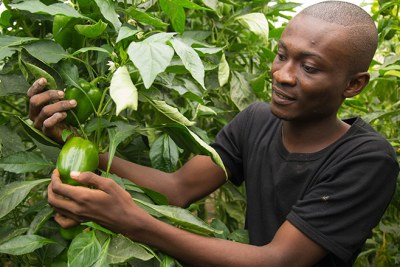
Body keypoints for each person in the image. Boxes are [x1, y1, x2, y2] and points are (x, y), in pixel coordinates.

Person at [27, 1, 399, 266]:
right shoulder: (256, 120)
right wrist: (75, 142)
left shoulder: (367, 158)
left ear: (353, 84)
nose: (283, 74)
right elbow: (178, 188)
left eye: (310, 67)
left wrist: (133, 221)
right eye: (282, 55)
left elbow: (279, 260)